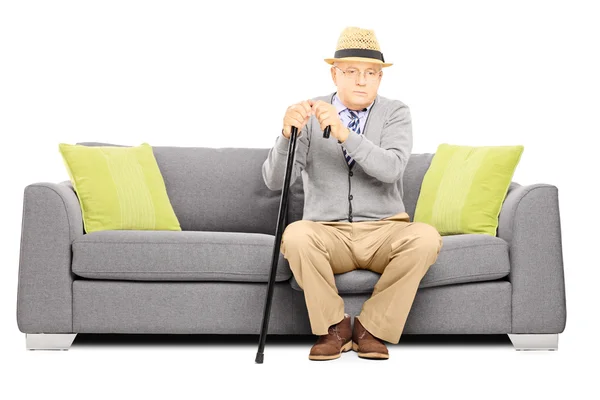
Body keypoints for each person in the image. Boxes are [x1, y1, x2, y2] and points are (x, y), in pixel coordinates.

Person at [262, 26, 443, 361]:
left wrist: (344, 134)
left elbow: (390, 168)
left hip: (385, 231)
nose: (362, 80)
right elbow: (275, 182)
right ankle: (335, 328)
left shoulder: (396, 112)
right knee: (297, 235)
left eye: (371, 73)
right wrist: (286, 135)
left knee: (425, 237)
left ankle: (370, 329)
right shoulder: (311, 113)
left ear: (379, 78)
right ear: (335, 74)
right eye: (352, 71)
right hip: (327, 233)